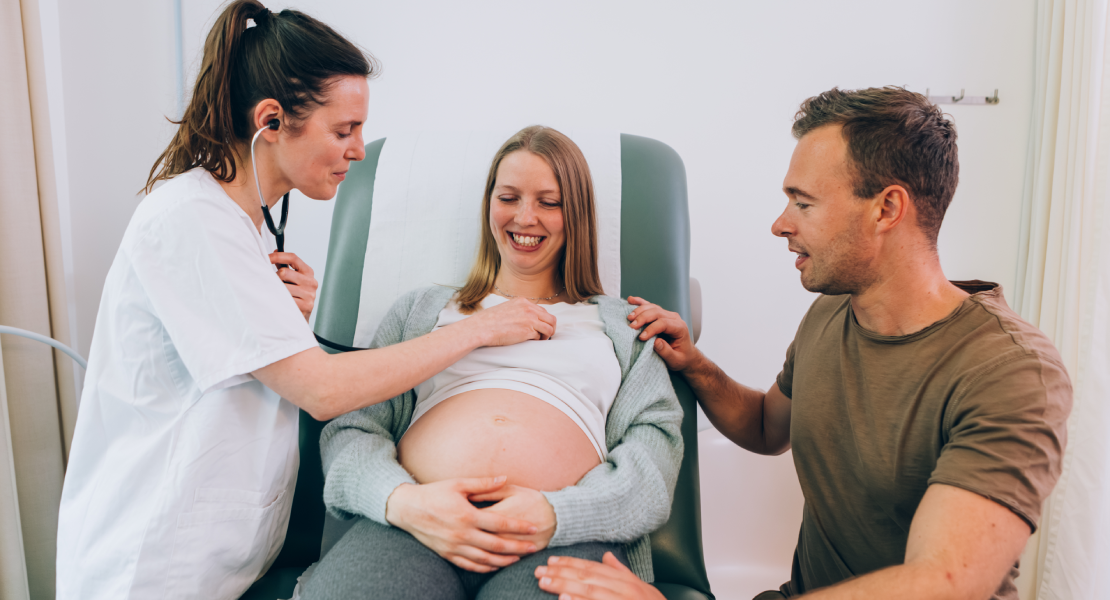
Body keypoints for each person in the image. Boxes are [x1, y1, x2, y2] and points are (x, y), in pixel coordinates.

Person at [55, 3, 555, 599]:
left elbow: (243, 371)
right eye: (344, 131)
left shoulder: (244, 230)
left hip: (224, 565)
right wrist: (477, 330)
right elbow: (324, 391)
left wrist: (290, 321)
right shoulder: (190, 220)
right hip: (153, 567)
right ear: (271, 121)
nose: (359, 150)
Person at [533, 87, 1073, 600]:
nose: (779, 224)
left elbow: (942, 584)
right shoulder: (833, 310)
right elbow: (769, 427)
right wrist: (696, 366)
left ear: (886, 209)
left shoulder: (1012, 373)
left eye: (803, 203)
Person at [298, 126, 684, 600]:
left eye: (549, 201)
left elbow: (654, 462)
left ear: (576, 214)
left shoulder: (625, 327)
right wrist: (405, 502)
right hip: (416, 529)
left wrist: (558, 514)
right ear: (488, 205)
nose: (526, 217)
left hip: (563, 537)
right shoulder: (422, 311)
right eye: (509, 197)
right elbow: (353, 429)